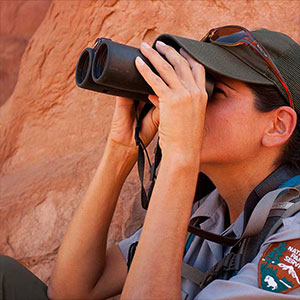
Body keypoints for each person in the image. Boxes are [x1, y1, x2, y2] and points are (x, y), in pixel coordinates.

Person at [48, 26, 300, 299]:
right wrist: (121, 150)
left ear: (277, 126)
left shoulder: (293, 232)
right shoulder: (206, 217)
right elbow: (71, 291)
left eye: (214, 91)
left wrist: (180, 154)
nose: (192, 101)